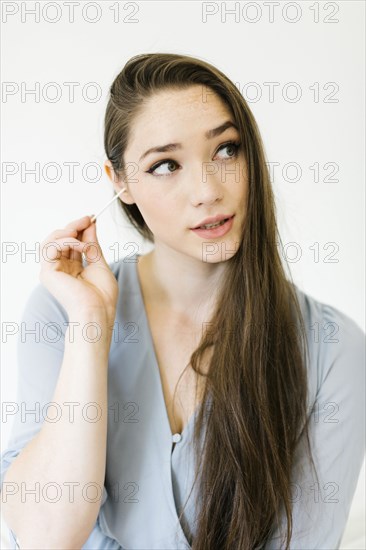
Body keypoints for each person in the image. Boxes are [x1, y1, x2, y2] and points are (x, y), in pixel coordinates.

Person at [1, 53, 365, 550]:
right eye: (166, 164)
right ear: (120, 182)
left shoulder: (334, 349)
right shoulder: (61, 311)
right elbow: (47, 535)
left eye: (227, 150)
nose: (208, 190)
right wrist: (90, 325)